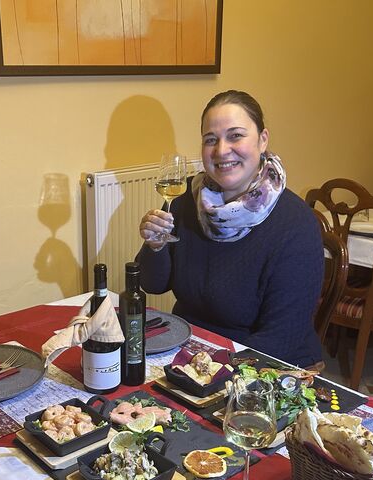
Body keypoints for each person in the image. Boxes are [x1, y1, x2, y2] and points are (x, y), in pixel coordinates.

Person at [136, 90, 324, 367]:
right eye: (210, 139)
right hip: (192, 349)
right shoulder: (186, 199)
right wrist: (155, 246)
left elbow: (281, 339)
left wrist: (207, 372)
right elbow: (152, 284)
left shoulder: (296, 224)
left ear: (262, 140)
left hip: (266, 364)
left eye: (235, 136)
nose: (222, 150)